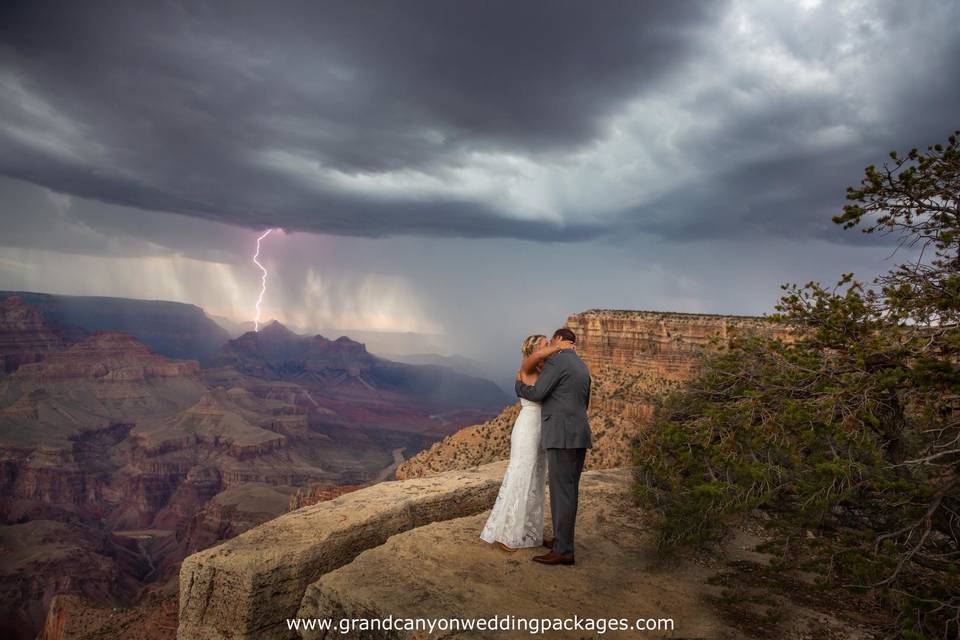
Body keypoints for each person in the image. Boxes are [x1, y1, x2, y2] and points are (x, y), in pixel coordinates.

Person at [480, 334, 573, 551]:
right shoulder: (527, 367)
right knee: (522, 475)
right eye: (545, 344)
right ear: (533, 350)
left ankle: (530, 534)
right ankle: (507, 534)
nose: (549, 346)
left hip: (542, 429)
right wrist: (558, 346)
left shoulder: (544, 371)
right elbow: (540, 354)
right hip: (528, 428)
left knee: (536, 479)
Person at [515, 327, 592, 565]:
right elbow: (583, 401)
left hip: (561, 435)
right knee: (569, 491)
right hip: (578, 433)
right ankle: (561, 540)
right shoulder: (581, 365)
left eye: (552, 341)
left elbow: (537, 393)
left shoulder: (557, 362)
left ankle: (563, 551)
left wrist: (519, 387)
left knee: (562, 492)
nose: (550, 345)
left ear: (559, 340)